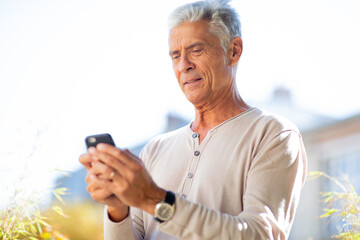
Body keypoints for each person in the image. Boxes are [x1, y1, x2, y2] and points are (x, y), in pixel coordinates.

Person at [79, 0, 307, 239]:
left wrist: (156, 201)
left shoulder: (273, 135)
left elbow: (259, 235)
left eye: (196, 50)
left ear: (234, 51)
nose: (183, 65)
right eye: (175, 55)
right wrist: (117, 209)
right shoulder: (155, 150)